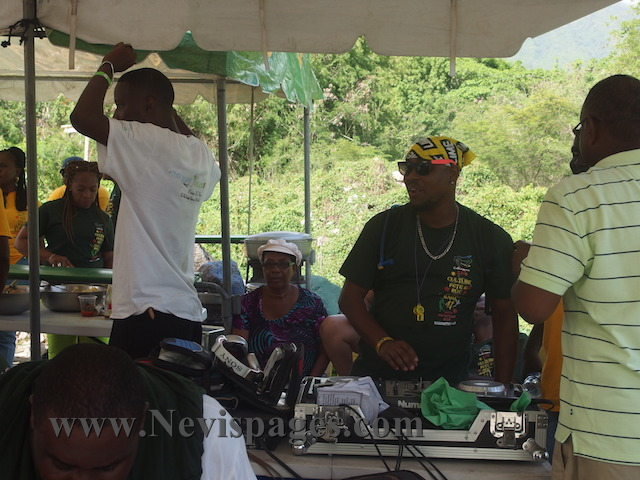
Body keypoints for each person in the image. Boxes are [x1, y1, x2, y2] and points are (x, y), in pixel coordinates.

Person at [512, 74, 640, 478]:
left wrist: (525, 265)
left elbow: (534, 307)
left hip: (608, 435)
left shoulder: (579, 196)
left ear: (592, 128)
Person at [70, 42, 220, 359]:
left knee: (129, 393)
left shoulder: (145, 141)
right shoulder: (199, 154)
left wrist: (108, 66)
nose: (116, 115)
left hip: (147, 311)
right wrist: (166, 108)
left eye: (121, 105)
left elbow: (82, 117)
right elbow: (183, 134)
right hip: (185, 313)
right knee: (171, 395)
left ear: (149, 104)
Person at [339, 136, 519, 384]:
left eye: (423, 168)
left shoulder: (489, 238)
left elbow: (505, 316)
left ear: (452, 172)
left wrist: (504, 388)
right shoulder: (384, 227)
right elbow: (349, 299)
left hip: (450, 386)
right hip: (377, 380)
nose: (410, 177)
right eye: (407, 168)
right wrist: (383, 343)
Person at [0, 342, 257, 480]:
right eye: (61, 466)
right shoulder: (7, 413)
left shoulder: (207, 430)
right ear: (32, 416)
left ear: (142, 420)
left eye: (107, 469)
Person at [15, 159, 114, 357]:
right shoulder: (50, 210)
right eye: (80, 189)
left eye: (92, 189)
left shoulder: (104, 219)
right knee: (60, 355)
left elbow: (109, 256)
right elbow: (21, 242)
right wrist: (50, 256)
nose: (87, 195)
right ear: (69, 185)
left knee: (96, 355)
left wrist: (110, 290)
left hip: (95, 295)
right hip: (58, 294)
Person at [232, 238, 328, 376]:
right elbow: (238, 349)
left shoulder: (312, 303)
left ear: (294, 268)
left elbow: (325, 352)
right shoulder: (247, 304)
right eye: (269, 264)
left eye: (283, 264)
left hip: (304, 382)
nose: (275, 270)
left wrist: (308, 383)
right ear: (262, 268)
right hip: (256, 383)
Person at [0, 146, 30, 367]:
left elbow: (36, 239)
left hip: (18, 268)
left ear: (18, 171)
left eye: (3, 166)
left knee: (5, 331)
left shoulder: (29, 202)